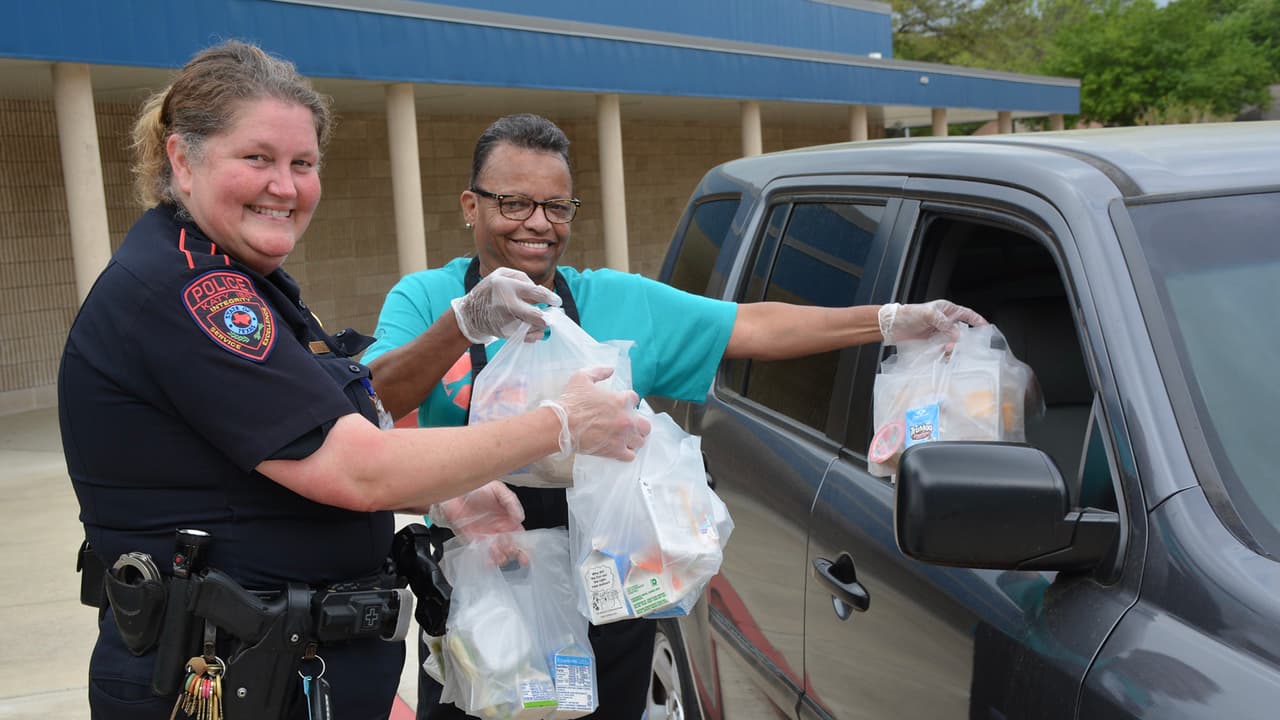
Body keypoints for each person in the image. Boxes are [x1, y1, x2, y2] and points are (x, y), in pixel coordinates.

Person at [58, 47, 648, 720]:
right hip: (225, 680)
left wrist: (445, 488)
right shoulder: (192, 293)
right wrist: (560, 422)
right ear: (184, 161)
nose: (284, 185)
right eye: (256, 158)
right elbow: (357, 468)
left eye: (302, 164)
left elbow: (327, 429)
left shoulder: (247, 283)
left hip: (276, 673)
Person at [362, 113, 987, 719]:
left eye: (557, 207)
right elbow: (372, 405)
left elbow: (755, 324)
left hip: (607, 599)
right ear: (471, 206)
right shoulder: (424, 299)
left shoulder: (616, 300)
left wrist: (886, 320)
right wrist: (461, 326)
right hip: (483, 602)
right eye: (514, 204)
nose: (539, 225)